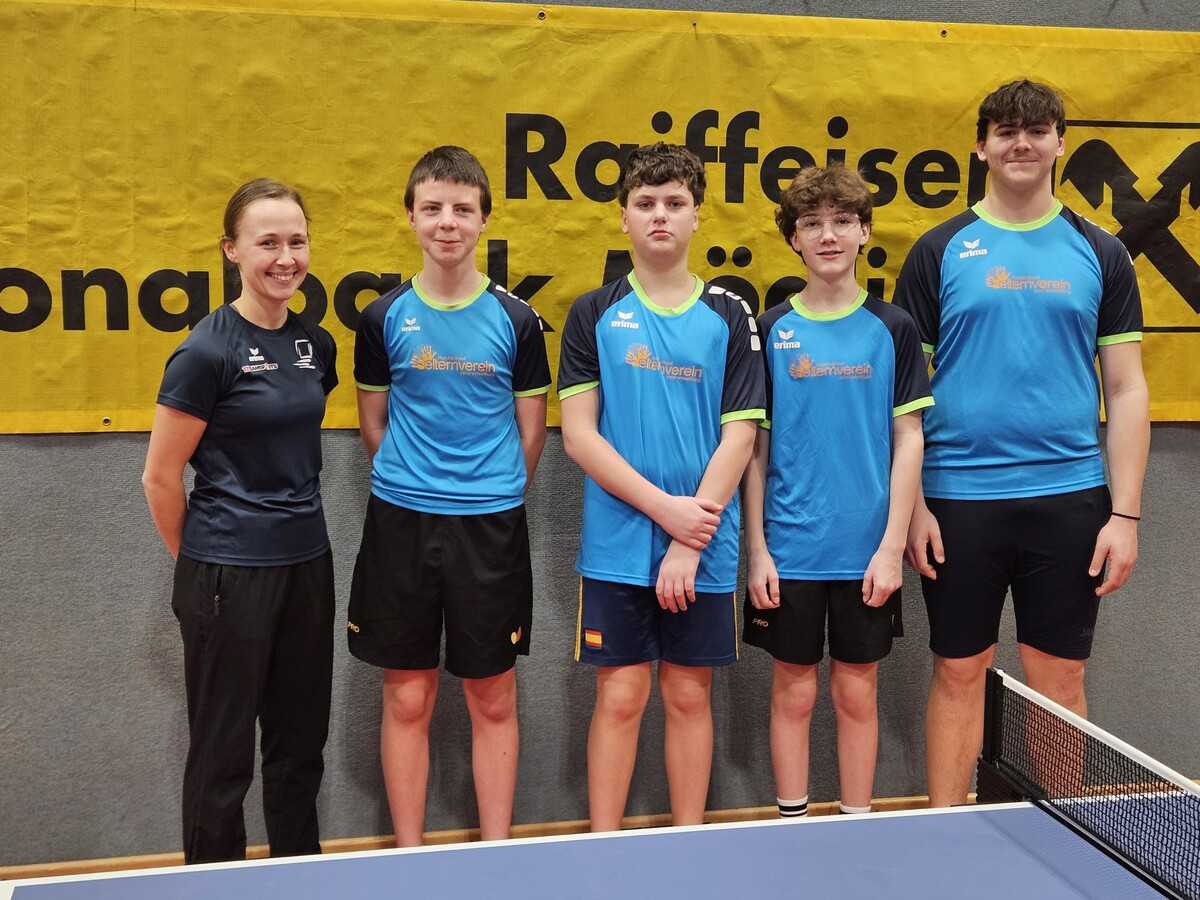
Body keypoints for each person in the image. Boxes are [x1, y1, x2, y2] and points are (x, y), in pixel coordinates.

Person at [893, 79, 1150, 807]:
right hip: (957, 500)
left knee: (1059, 677)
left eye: (1037, 131)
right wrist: (913, 508)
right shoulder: (939, 250)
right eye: (1006, 131)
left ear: (1060, 143)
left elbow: (1127, 389)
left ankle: (1065, 833)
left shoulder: (1101, 252)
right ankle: (946, 830)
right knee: (958, 669)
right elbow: (903, 402)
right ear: (981, 147)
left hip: (1069, 501)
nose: (1021, 144)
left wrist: (1125, 515)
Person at [557, 142, 765, 831]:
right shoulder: (593, 312)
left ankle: (688, 845)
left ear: (697, 216)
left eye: (675, 203)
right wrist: (665, 514)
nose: (659, 215)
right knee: (620, 698)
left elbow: (740, 437)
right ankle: (603, 847)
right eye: (644, 203)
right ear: (623, 217)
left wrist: (689, 539)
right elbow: (580, 436)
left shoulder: (731, 314)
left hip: (703, 548)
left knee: (687, 696)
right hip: (618, 546)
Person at [347, 146, 550, 847]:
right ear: (410, 216)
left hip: (490, 528)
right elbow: (373, 424)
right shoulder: (381, 317)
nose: (447, 222)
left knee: (491, 695)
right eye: (432, 207)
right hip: (400, 524)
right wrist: (416, 480)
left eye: (463, 209)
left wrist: (488, 489)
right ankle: (409, 858)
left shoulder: (518, 321)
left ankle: (495, 855)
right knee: (408, 696)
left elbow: (531, 433)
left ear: (485, 220)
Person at [142, 178, 338, 863]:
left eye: (297, 242)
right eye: (267, 243)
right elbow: (160, 477)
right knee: (223, 756)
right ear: (232, 250)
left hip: (308, 564)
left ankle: (298, 873)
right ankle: (211, 882)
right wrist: (204, 565)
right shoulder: (205, 351)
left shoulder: (315, 344)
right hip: (228, 572)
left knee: (300, 744)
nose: (286, 258)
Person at [743, 166, 932, 819]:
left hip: (866, 553)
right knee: (792, 692)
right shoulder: (770, 329)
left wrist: (890, 547)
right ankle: (791, 822)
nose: (828, 235)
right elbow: (755, 448)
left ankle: (858, 824)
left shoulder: (893, 327)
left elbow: (909, 439)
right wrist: (757, 552)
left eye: (842, 221)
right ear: (793, 238)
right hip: (789, 551)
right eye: (812, 223)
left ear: (865, 232)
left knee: (857, 692)